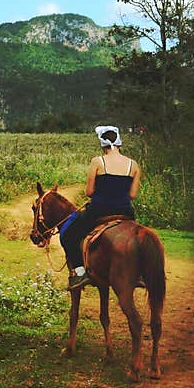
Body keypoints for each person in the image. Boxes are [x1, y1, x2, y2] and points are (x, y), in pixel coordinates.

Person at [60, 125, 141, 291]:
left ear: (102, 145)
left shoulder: (98, 161)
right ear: (119, 143)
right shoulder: (133, 165)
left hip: (99, 211)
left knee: (67, 233)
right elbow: (132, 195)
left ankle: (80, 273)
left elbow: (89, 192)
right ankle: (139, 273)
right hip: (125, 212)